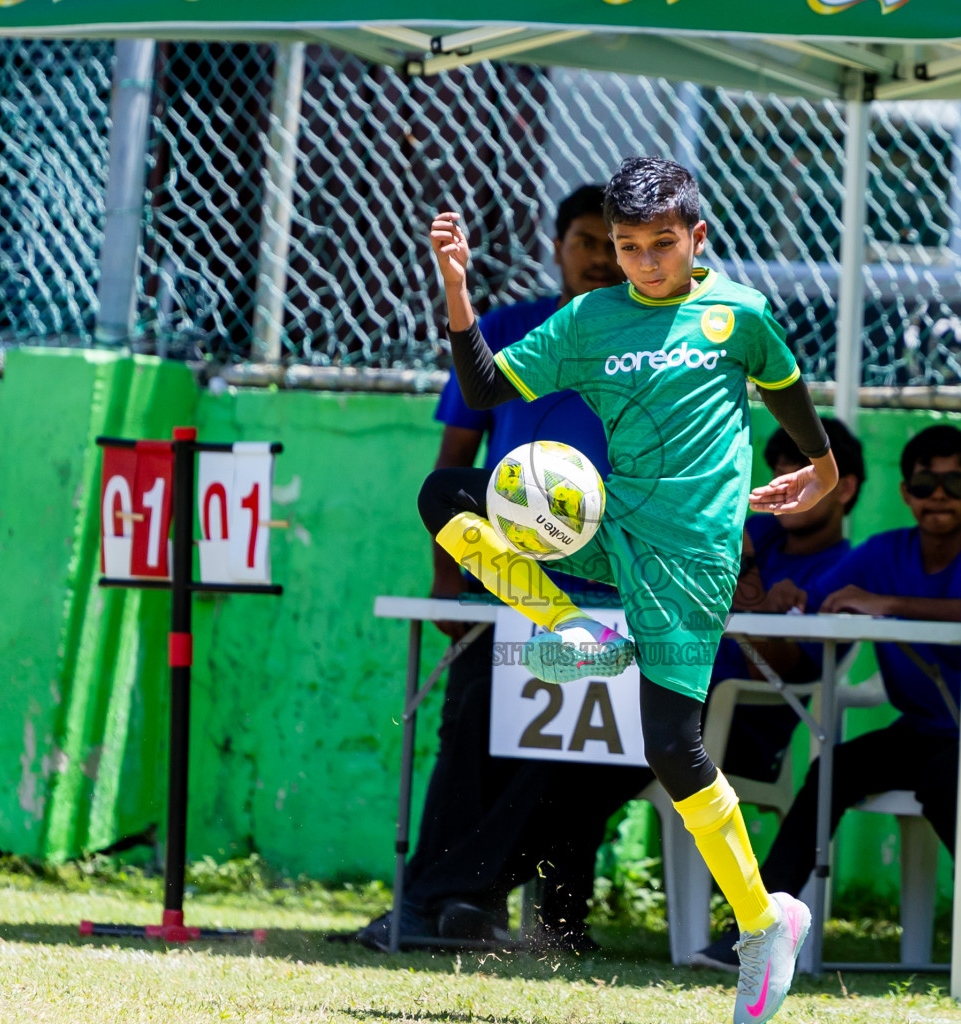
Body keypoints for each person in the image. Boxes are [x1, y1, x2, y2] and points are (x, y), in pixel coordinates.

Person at [419, 157, 837, 1024]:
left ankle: (766, 921)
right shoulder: (589, 318)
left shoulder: (739, 313)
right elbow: (483, 387)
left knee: (672, 748)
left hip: (692, 558)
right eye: (628, 246)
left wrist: (823, 469)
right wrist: (457, 289)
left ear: (697, 237)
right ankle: (571, 627)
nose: (645, 261)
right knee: (445, 495)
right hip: (610, 528)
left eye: (662, 244)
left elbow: (788, 390)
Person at [353, 185, 648, 954]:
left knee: (575, 751)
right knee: (472, 731)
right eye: (586, 241)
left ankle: (503, 911)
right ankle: (455, 905)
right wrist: (447, 578)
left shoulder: (657, 346)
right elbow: (455, 458)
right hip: (506, 582)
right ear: (557, 248)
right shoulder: (508, 332)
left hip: (612, 586)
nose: (599, 257)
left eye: (614, 244)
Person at [693, 425, 961, 982]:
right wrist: (788, 596)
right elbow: (817, 600)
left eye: (954, 482)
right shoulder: (883, 551)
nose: (938, 495)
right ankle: (754, 930)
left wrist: (887, 605)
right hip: (921, 730)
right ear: (905, 493)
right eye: (924, 484)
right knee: (832, 771)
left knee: (946, 782)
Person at [714, 419, 863, 784]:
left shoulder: (847, 575)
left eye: (798, 482)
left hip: (739, 732)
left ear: (844, 488)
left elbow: (771, 671)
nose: (782, 493)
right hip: (674, 705)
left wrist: (744, 567)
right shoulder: (762, 530)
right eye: (778, 479)